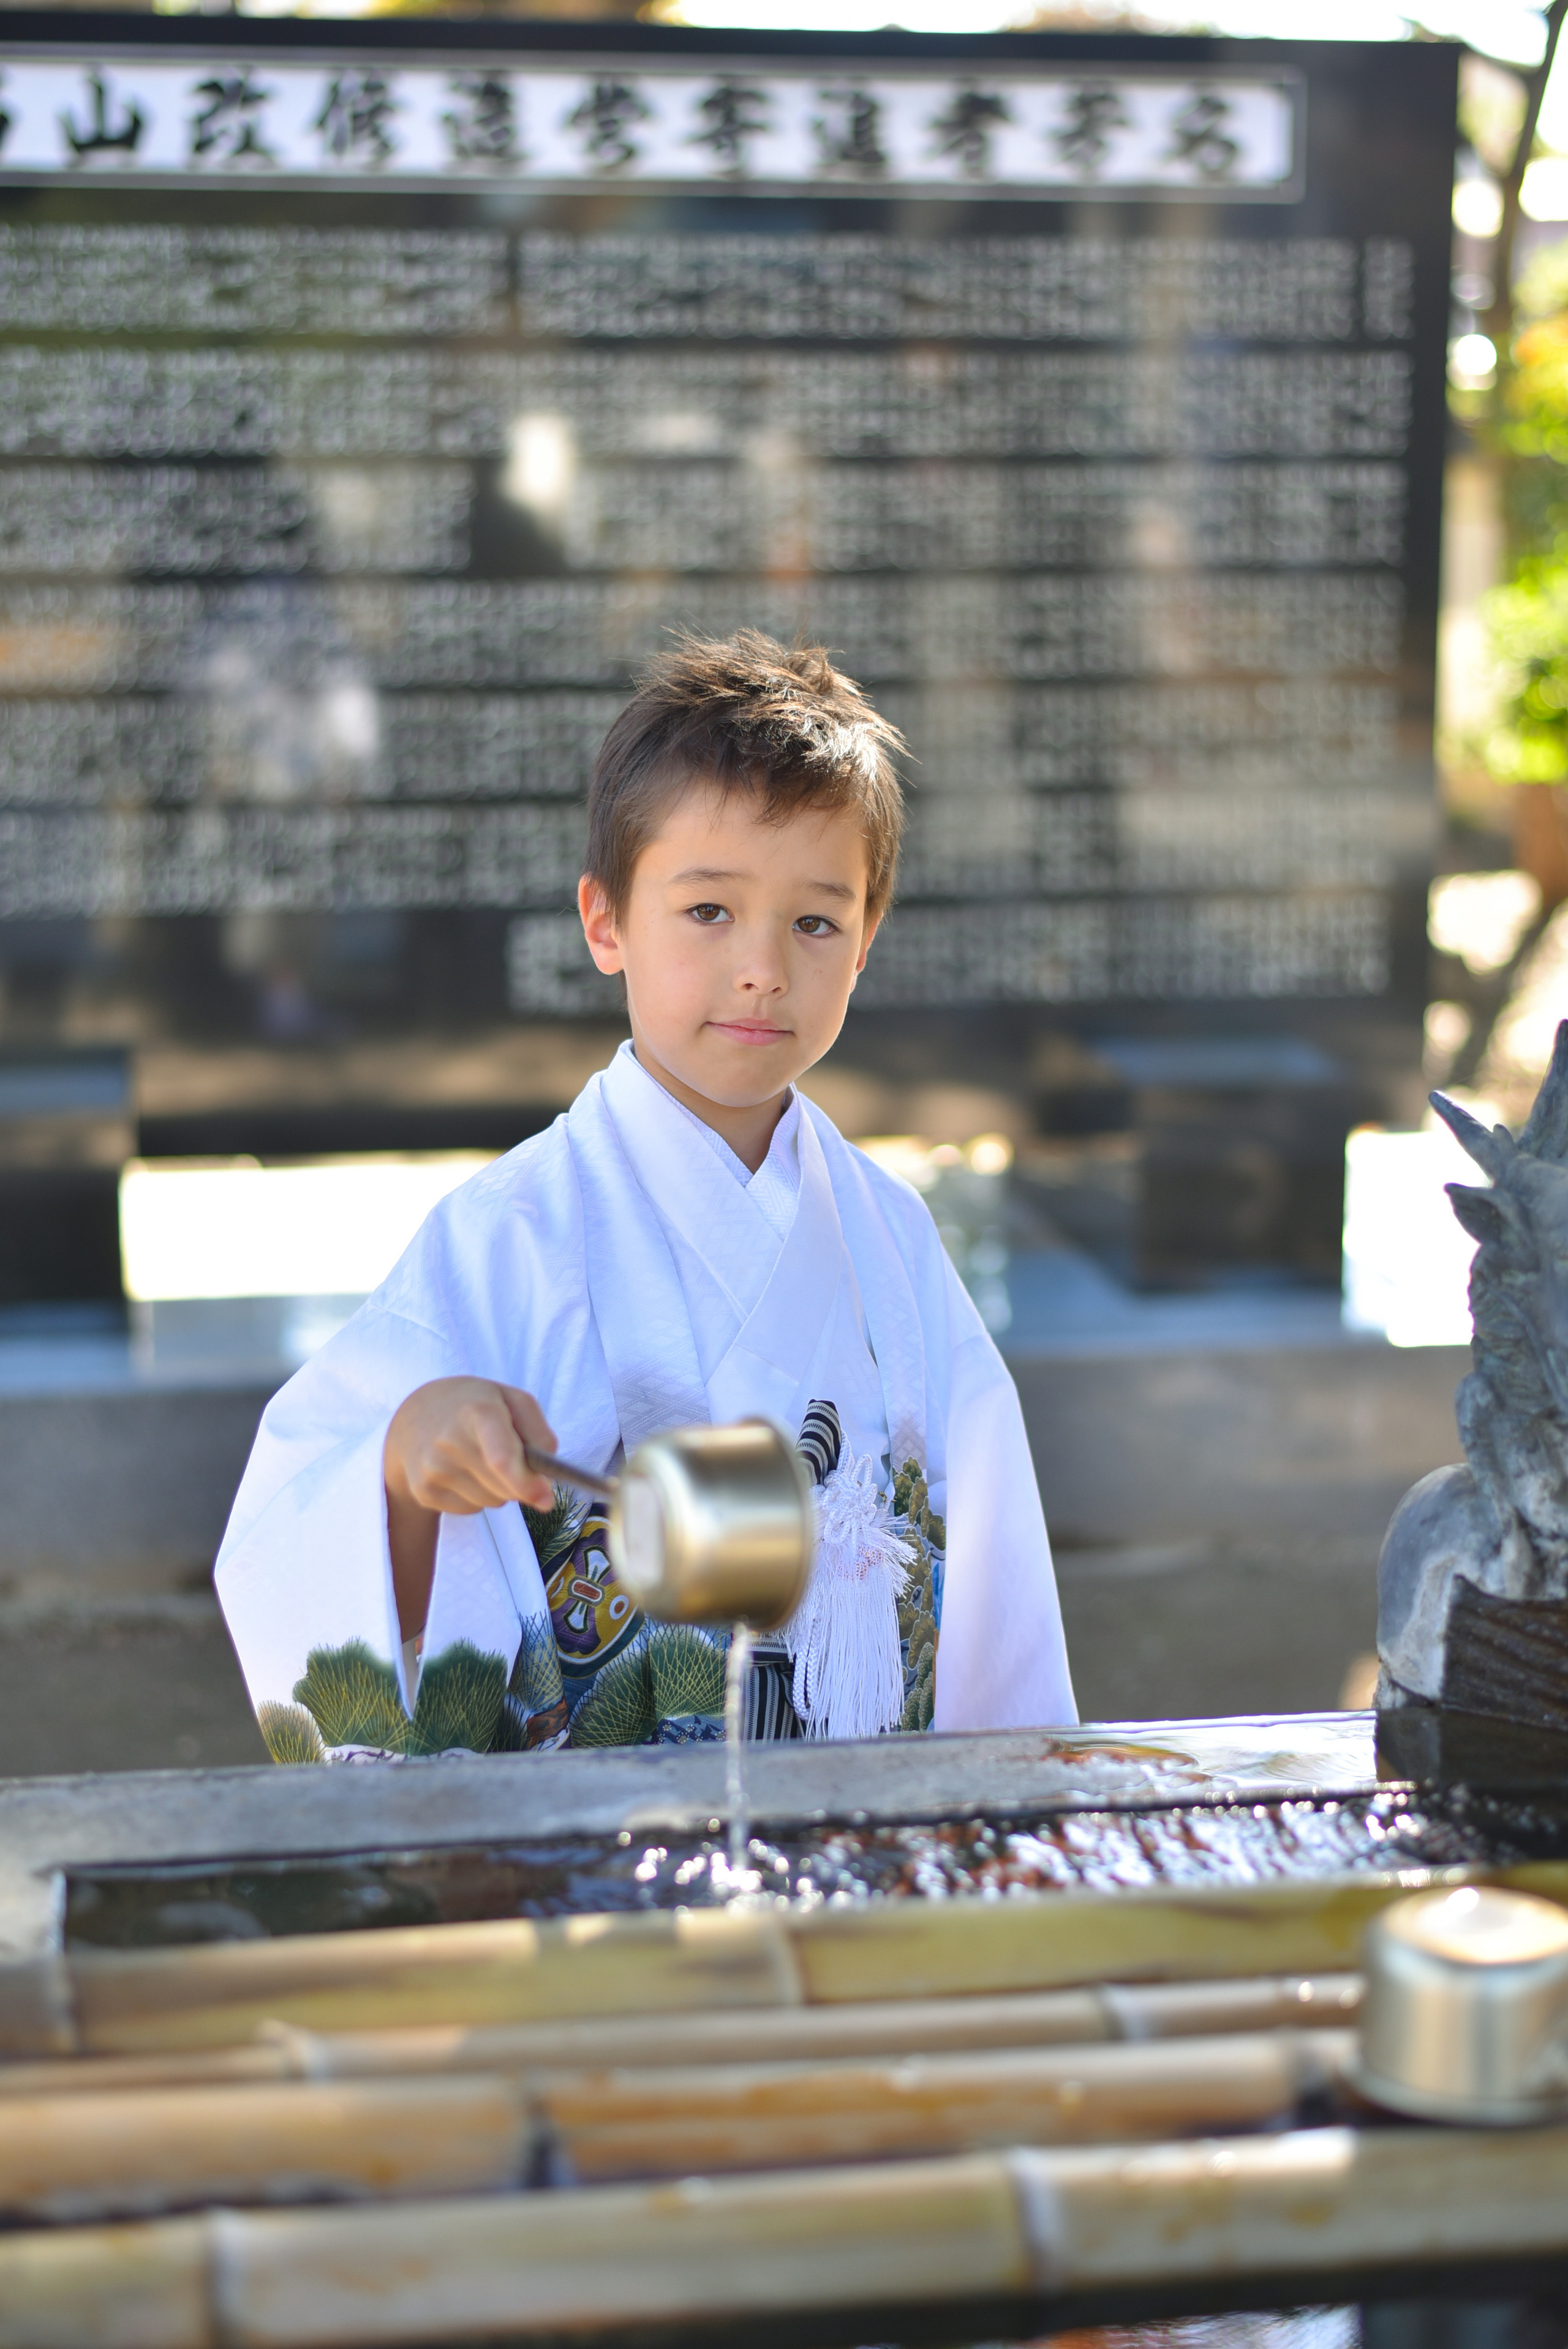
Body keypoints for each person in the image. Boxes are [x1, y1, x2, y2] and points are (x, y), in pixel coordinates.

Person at [215, 632, 1076, 1763]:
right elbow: (298, 1523)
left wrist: (1006, 1805)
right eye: (709, 911)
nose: (763, 965)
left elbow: (993, 1596)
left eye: (816, 920)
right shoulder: (509, 1236)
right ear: (606, 921)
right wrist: (407, 1462)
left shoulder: (891, 1236)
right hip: (585, 1870)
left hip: (862, 1843)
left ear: (866, 940)